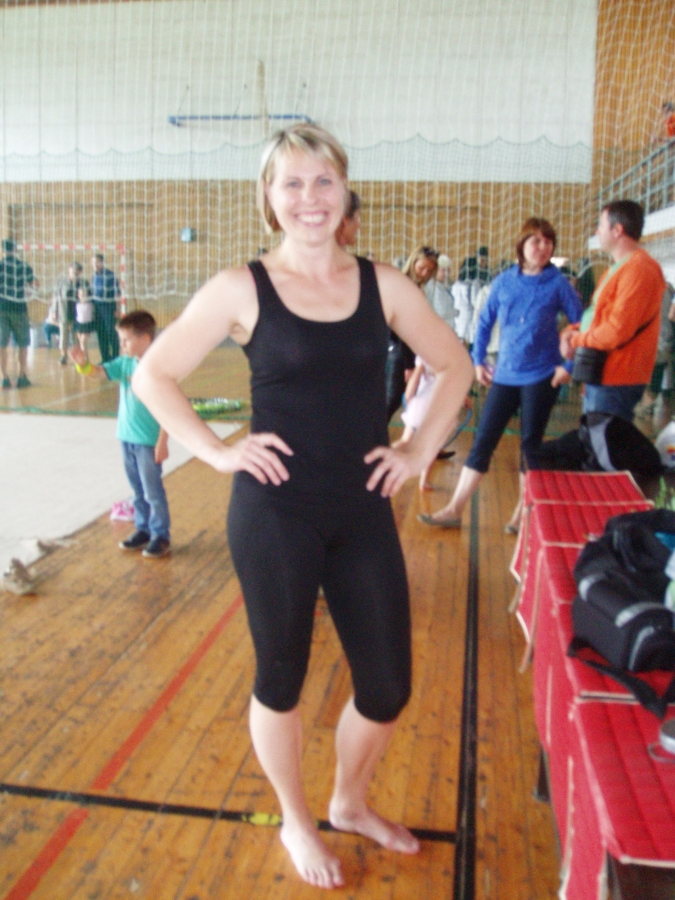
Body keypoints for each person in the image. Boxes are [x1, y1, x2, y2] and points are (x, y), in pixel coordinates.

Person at [132, 123, 473, 889]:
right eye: (291, 182)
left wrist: (415, 450)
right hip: (274, 513)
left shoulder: (384, 285)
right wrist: (217, 451)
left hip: (360, 509)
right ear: (268, 197)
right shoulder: (240, 288)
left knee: (386, 686)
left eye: (323, 181)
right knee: (280, 677)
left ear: (344, 191)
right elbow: (154, 376)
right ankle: (295, 818)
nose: (309, 197)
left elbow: (453, 365)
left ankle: (348, 802)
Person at [420, 217, 582, 532]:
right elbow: (484, 322)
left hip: (542, 376)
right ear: (522, 245)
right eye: (536, 241)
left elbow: (581, 326)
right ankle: (454, 508)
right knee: (483, 441)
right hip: (505, 375)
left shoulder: (558, 284)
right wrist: (478, 360)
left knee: (531, 446)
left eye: (548, 242)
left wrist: (569, 367)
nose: (543, 247)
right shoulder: (505, 281)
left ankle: (523, 513)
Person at [70, 310, 171, 559]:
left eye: (126, 340)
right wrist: (82, 364)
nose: (122, 345)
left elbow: (169, 408)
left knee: (152, 492)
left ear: (145, 339)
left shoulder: (159, 368)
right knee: (137, 491)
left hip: (148, 442)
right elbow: (97, 372)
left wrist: (162, 441)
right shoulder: (125, 363)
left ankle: (160, 534)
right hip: (126, 438)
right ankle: (143, 529)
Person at [560, 200, 666, 423]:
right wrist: (571, 331)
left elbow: (617, 330)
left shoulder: (639, 269)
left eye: (600, 225)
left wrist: (577, 339)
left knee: (604, 442)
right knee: (594, 438)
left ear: (617, 230)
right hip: (603, 373)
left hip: (617, 377)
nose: (597, 232)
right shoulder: (619, 268)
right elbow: (599, 316)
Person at [385, 245, 439, 421]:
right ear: (413, 262)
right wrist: (409, 365)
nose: (424, 273)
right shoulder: (405, 286)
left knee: (393, 401)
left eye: (429, 270)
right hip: (397, 350)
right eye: (421, 267)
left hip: (398, 349)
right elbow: (403, 330)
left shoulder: (411, 286)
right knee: (391, 400)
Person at [0, 238, 39, 389]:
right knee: (23, 343)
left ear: (3, 250)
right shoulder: (23, 266)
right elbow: (35, 284)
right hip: (19, 308)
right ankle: (22, 376)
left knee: (1, 344)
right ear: (15, 249)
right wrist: (31, 289)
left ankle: (4, 377)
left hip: (1, 308)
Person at [50, 261, 87, 363]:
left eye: (77, 271)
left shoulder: (83, 283)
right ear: (69, 270)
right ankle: (64, 356)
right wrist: (54, 311)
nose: (74, 272)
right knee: (63, 335)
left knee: (76, 337)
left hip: (78, 313)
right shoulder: (61, 282)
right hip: (64, 311)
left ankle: (77, 357)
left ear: (80, 272)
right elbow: (55, 297)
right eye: (73, 270)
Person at [90, 253, 121, 362]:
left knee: (111, 332)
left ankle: (116, 357)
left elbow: (118, 293)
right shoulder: (93, 276)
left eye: (97, 262)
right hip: (97, 308)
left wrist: (118, 309)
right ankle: (105, 358)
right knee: (101, 333)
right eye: (93, 262)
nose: (95, 264)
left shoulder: (110, 275)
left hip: (109, 307)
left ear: (102, 262)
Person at [73, 285, 97, 359]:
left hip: (87, 325)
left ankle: (85, 359)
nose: (83, 296)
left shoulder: (91, 304)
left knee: (82, 342)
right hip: (79, 325)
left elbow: (93, 314)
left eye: (84, 294)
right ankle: (85, 359)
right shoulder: (77, 304)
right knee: (81, 343)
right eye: (81, 294)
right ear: (78, 295)